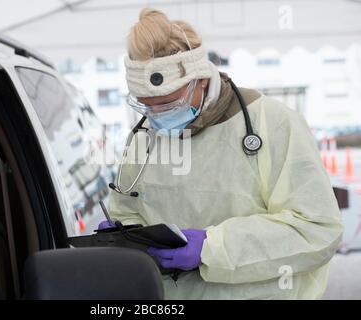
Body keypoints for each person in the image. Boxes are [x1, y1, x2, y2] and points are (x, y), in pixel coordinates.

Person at [99, 7, 343, 299]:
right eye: (146, 105)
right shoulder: (144, 137)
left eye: (167, 104)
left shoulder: (272, 123)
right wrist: (123, 236)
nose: (156, 115)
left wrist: (212, 248)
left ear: (200, 79)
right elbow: (127, 209)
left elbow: (317, 229)